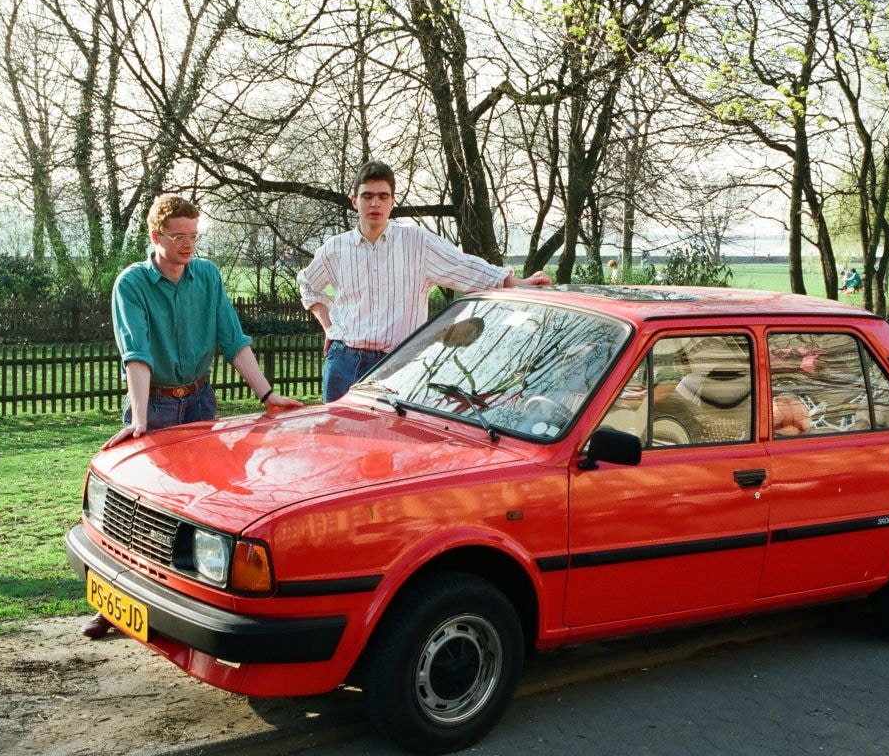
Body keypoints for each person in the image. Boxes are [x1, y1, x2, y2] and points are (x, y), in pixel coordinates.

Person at [83, 193, 302, 639]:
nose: (187, 245)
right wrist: (141, 419)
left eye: (193, 236)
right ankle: (115, 602)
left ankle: (187, 604)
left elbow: (233, 340)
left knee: (202, 508)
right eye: (177, 236)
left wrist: (268, 395)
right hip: (156, 403)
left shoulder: (207, 276)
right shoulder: (132, 284)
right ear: (155, 236)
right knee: (141, 510)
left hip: (200, 402)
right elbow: (136, 354)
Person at [297, 160, 552, 402]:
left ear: (392, 202)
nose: (375, 203)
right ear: (355, 201)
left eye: (383, 196)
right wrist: (329, 327)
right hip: (344, 364)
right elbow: (308, 284)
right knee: (343, 442)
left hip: (399, 365)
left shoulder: (417, 243)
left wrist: (520, 283)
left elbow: (466, 267)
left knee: (398, 444)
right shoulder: (335, 248)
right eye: (367, 196)